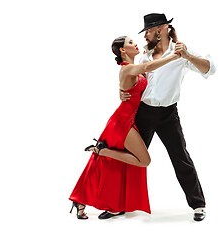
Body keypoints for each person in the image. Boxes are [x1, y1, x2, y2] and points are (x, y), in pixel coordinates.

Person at [69, 36, 180, 220]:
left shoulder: (131, 69)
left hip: (127, 119)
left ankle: (83, 199)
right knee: (144, 161)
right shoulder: (128, 69)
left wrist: (121, 91)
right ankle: (102, 152)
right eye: (130, 43)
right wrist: (174, 56)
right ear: (122, 50)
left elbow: (133, 83)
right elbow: (145, 68)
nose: (135, 43)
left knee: (115, 166)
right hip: (122, 122)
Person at [120, 13, 216, 221]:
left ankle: (198, 205)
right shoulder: (145, 55)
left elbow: (210, 69)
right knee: (129, 157)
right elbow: (133, 80)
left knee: (181, 158)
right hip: (143, 113)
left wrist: (188, 57)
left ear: (161, 29)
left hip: (167, 115)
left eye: (148, 30)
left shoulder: (180, 52)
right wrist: (122, 91)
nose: (145, 35)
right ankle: (118, 204)